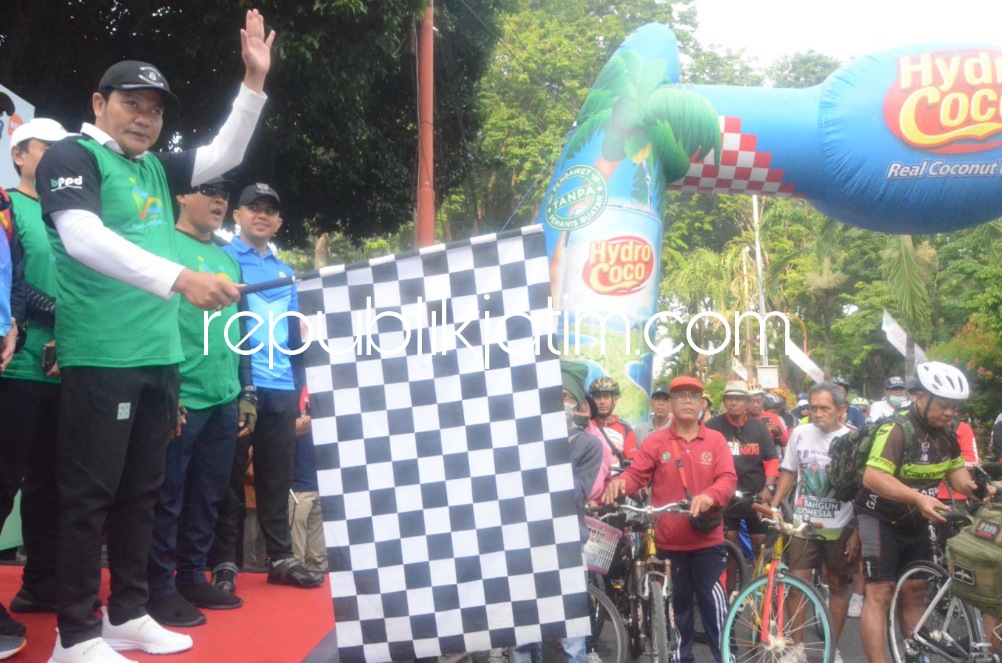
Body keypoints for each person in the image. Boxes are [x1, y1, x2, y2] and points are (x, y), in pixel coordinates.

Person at [35, 11, 274, 663]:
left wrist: (253, 82)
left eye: (155, 109)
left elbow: (222, 154)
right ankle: (75, 636)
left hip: (160, 359)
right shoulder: (73, 156)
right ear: (99, 104)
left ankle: (128, 613)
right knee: (89, 498)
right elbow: (82, 238)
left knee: (143, 493)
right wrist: (179, 278)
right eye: (131, 104)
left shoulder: (150, 170)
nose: (144, 118)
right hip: (102, 357)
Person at [145, 177, 257, 628]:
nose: (218, 200)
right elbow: (151, 322)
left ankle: (192, 576)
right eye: (207, 190)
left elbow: (240, 329)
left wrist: (246, 391)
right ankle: (158, 588)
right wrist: (165, 391)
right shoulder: (161, 246)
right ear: (180, 195)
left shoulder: (228, 258)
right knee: (167, 498)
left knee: (208, 496)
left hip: (223, 397)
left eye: (224, 194)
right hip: (181, 395)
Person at [210, 183, 323, 592]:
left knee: (277, 477)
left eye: (270, 210)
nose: (262, 215)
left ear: (279, 222)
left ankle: (280, 558)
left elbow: (295, 336)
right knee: (229, 478)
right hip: (237, 385)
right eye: (253, 207)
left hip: (282, 388)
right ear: (237, 215)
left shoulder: (285, 271)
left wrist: (303, 391)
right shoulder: (221, 259)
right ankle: (225, 562)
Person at [854, 362, 988, 663]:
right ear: (920, 398)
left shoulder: (946, 434)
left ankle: (916, 656)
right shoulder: (896, 429)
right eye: (944, 405)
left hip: (917, 518)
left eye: (955, 407)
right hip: (879, 516)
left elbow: (957, 476)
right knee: (880, 591)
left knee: (915, 590)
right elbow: (873, 477)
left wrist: (977, 489)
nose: (950, 413)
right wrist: (917, 497)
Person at [604, 375, 736, 663]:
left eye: (693, 396)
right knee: (677, 610)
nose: (687, 401)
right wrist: (621, 483)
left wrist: (710, 495)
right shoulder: (656, 441)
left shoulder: (715, 440)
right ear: (672, 403)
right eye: (680, 396)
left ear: (702, 404)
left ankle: (727, 657)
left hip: (708, 542)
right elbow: (637, 474)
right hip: (669, 544)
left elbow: (728, 478)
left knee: (714, 605)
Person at [0, 120, 69, 639]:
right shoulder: (7, 207)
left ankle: (41, 583)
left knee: (52, 487)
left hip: (67, 373)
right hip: (17, 367)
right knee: (3, 484)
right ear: (19, 154)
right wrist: (65, 320)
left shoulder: (72, 216)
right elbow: (14, 284)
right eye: (48, 148)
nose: (58, 158)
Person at [513, 360, 603, 663]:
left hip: (566, 547)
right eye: (554, 394)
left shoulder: (589, 446)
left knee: (571, 641)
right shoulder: (524, 439)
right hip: (525, 544)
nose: (559, 401)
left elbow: (577, 494)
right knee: (523, 638)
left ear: (576, 402)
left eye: (566, 396)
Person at [771, 383, 859, 663]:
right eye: (813, 408)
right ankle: (796, 648)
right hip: (803, 525)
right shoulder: (799, 433)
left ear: (841, 410)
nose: (817, 413)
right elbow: (789, 470)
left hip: (840, 527)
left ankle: (830, 648)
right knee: (797, 584)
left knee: (838, 586)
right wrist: (775, 504)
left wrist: (857, 531)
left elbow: (863, 489)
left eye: (825, 408)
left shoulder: (854, 439)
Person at [706, 380, 779, 573]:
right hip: (726, 497)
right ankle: (732, 590)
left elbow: (772, 459)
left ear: (747, 402)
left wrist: (768, 487)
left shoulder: (759, 427)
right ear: (724, 401)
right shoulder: (712, 426)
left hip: (756, 495)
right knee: (730, 547)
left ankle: (761, 586)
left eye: (739, 399)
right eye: (730, 399)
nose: (734, 403)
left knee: (760, 543)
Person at [289, 388, 327, 573]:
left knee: (318, 556)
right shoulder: (291, 393)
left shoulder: (326, 391)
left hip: (322, 483)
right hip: (298, 484)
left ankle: (317, 572)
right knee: (296, 554)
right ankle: (295, 572)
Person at [589, 376, 636, 463]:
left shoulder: (626, 428)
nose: (602, 401)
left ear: (615, 399)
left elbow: (631, 461)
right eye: (598, 397)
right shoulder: (586, 425)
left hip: (617, 472)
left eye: (606, 396)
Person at [634, 384, 671, 449]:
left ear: (671, 405)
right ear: (650, 403)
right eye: (657, 399)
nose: (661, 403)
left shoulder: (676, 431)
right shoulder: (639, 430)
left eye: (665, 400)